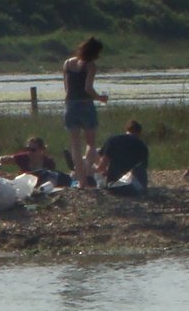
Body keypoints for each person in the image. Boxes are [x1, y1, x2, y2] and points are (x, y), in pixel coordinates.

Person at [61, 36, 108, 188]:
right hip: (85, 105)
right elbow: (88, 88)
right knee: (91, 143)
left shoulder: (67, 63)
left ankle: (81, 182)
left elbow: (66, 87)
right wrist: (99, 97)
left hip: (70, 105)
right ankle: (88, 171)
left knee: (75, 145)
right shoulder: (90, 65)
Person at [98, 120, 151, 195]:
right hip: (137, 187)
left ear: (126, 130)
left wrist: (101, 171)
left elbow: (102, 165)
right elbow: (143, 167)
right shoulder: (142, 145)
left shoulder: (113, 140)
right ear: (139, 133)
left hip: (115, 184)